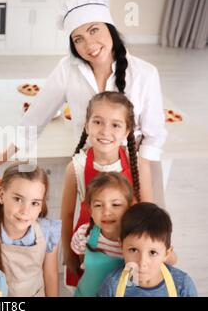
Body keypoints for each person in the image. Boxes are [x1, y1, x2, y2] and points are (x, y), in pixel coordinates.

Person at [0, 0, 166, 206]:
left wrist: (140, 184)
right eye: (78, 39)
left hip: (137, 168)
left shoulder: (145, 74)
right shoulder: (67, 69)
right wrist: (6, 153)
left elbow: (154, 136)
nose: (89, 45)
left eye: (94, 30)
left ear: (110, 28)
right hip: (90, 168)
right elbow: (36, 116)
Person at [62, 91, 139, 287]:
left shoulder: (138, 165)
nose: (105, 131)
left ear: (127, 131)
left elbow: (147, 214)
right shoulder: (76, 167)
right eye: (97, 122)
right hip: (87, 251)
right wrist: (68, 255)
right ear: (87, 125)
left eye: (115, 125)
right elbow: (67, 215)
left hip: (127, 254)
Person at [0, 163, 61, 297]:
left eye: (35, 203)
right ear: (2, 195)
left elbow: (50, 276)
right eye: (18, 199)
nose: (25, 211)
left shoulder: (47, 231)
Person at [98, 202, 197, 297]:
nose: (142, 262)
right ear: (121, 246)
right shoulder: (111, 286)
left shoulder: (182, 285)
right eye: (133, 250)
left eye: (153, 252)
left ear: (167, 253)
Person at [71, 172, 133, 297]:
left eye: (115, 205)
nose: (106, 212)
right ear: (91, 211)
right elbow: (83, 264)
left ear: (129, 207)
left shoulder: (134, 241)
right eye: (98, 205)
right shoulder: (84, 234)